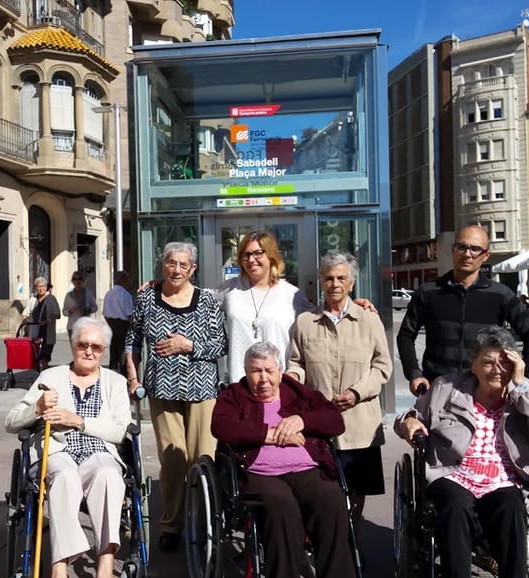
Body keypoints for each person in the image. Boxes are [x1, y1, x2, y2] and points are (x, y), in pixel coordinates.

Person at [394, 325, 529, 578]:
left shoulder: (525, 392)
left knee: (512, 508)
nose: (497, 369)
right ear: (473, 364)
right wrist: (409, 422)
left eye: (505, 362)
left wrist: (521, 386)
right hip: (453, 473)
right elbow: (409, 417)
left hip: (503, 478)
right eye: (488, 362)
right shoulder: (446, 388)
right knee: (455, 507)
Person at [212, 341, 360, 578]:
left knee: (331, 500)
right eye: (256, 371)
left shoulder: (298, 393)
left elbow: (335, 421)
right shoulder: (234, 395)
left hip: (307, 469)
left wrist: (302, 420)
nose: (263, 378)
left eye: (269, 371)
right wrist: (267, 435)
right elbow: (221, 427)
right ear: (246, 372)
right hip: (260, 474)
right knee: (282, 508)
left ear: (280, 372)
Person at [5, 317, 130, 578]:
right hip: (57, 451)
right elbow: (11, 421)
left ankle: (105, 575)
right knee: (65, 477)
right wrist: (37, 408)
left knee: (109, 475)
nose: (89, 351)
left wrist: (79, 421)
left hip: (99, 451)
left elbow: (120, 431)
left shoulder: (115, 382)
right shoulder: (50, 377)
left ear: (104, 351)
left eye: (96, 347)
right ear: (73, 345)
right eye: (83, 344)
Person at [124, 241, 227, 552]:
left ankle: (205, 521)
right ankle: (172, 523)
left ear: (193, 269)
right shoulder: (146, 297)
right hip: (162, 390)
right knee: (172, 461)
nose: (177, 269)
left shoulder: (207, 300)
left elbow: (220, 344)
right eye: (171, 263)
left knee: (203, 459)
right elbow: (132, 340)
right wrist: (133, 377)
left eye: (184, 264)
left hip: (202, 391)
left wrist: (188, 345)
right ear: (163, 264)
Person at [287, 252, 393, 524]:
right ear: (321, 281)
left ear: (351, 283)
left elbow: (382, 366)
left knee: (357, 489)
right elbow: (297, 362)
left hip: (359, 424)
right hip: (318, 424)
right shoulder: (305, 322)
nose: (335, 284)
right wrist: (292, 378)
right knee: (320, 490)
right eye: (329, 278)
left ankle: (351, 534)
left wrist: (356, 393)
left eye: (341, 278)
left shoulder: (369, 320)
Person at [397, 224, 529, 395]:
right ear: (453, 250)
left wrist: (526, 376)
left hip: (484, 392)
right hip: (437, 388)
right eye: (462, 247)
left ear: (486, 255)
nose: (467, 254)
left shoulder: (500, 294)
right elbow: (405, 335)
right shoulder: (428, 292)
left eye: (475, 249)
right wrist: (414, 373)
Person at [214, 231, 314, 384]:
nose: (251, 259)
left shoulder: (291, 294)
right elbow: (197, 298)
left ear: (271, 256)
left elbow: (317, 322)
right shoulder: (231, 289)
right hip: (240, 382)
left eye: (258, 253)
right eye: (246, 254)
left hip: (278, 384)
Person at [102, 271, 133, 372]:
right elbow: (129, 314)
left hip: (112, 325)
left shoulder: (108, 294)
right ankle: (124, 374)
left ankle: (113, 371)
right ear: (123, 280)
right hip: (123, 326)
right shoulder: (126, 294)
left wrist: (111, 325)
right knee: (123, 353)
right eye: (127, 279)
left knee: (113, 353)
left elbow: (105, 314)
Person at [29, 277, 61, 370]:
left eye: (43, 286)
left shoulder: (51, 298)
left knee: (45, 355)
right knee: (36, 353)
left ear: (46, 287)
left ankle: (44, 370)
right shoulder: (34, 299)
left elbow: (57, 314)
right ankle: (41, 369)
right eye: (38, 287)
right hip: (36, 330)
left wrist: (47, 321)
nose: (41, 289)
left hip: (48, 331)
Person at [62, 271, 97, 342]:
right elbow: (64, 312)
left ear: (83, 281)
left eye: (79, 279)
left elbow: (95, 307)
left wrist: (88, 310)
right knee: (75, 347)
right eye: (75, 279)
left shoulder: (88, 293)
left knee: (84, 347)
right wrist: (70, 311)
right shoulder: (68, 295)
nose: (77, 281)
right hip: (72, 326)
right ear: (72, 281)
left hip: (85, 326)